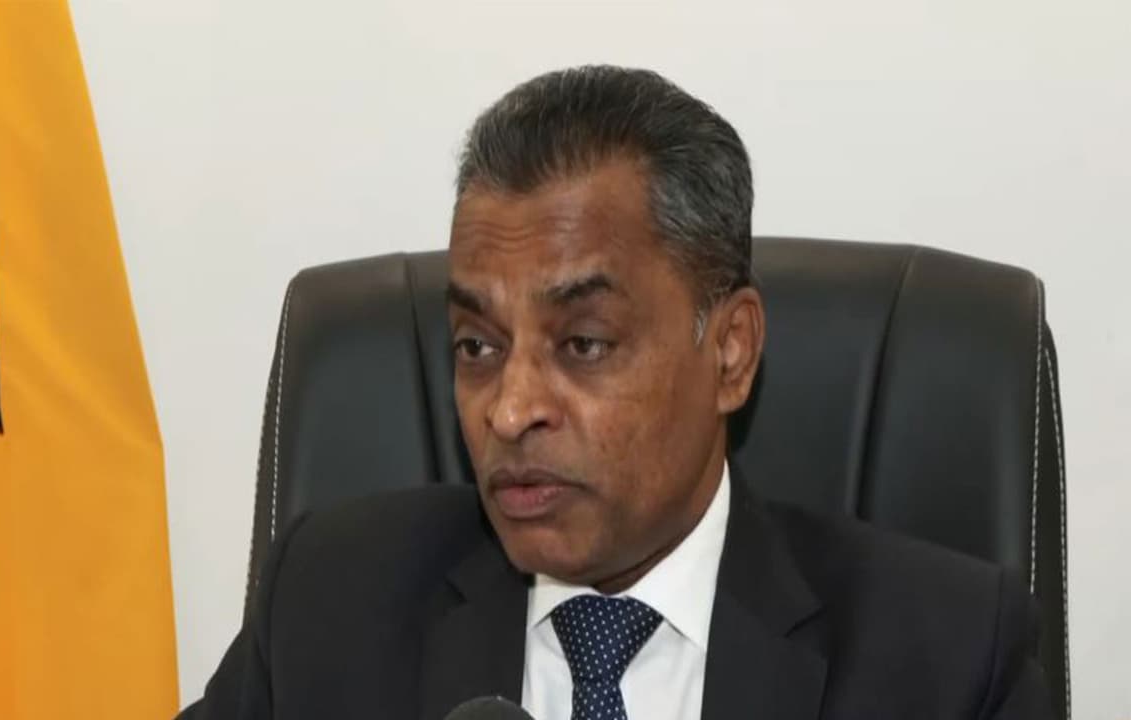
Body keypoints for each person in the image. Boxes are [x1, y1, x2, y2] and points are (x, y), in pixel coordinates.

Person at [180, 66, 1054, 720]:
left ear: (731, 352)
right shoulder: (327, 606)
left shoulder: (948, 663)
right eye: (478, 346)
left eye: (584, 344)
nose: (510, 410)